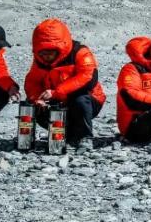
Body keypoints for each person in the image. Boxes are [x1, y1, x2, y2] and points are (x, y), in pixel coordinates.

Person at [24, 19, 105, 151]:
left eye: (50, 52)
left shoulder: (80, 52)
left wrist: (56, 92)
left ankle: (85, 137)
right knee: (32, 105)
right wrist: (36, 99)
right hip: (59, 101)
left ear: (60, 47)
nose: (46, 57)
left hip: (89, 100)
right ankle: (66, 134)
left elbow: (88, 79)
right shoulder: (40, 60)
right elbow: (33, 81)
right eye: (42, 53)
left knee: (80, 99)